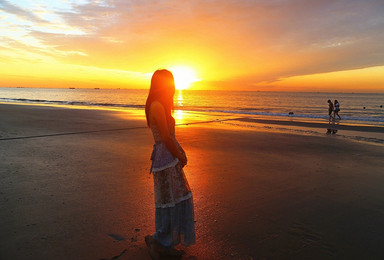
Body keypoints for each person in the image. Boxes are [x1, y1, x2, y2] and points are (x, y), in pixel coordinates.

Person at [144, 69, 195, 259]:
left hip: (168, 158)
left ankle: (166, 242)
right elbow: (165, 137)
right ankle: (159, 241)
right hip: (165, 159)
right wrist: (180, 155)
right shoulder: (157, 105)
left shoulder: (161, 105)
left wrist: (179, 154)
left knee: (175, 198)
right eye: (169, 83)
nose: (172, 87)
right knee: (170, 200)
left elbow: (168, 137)